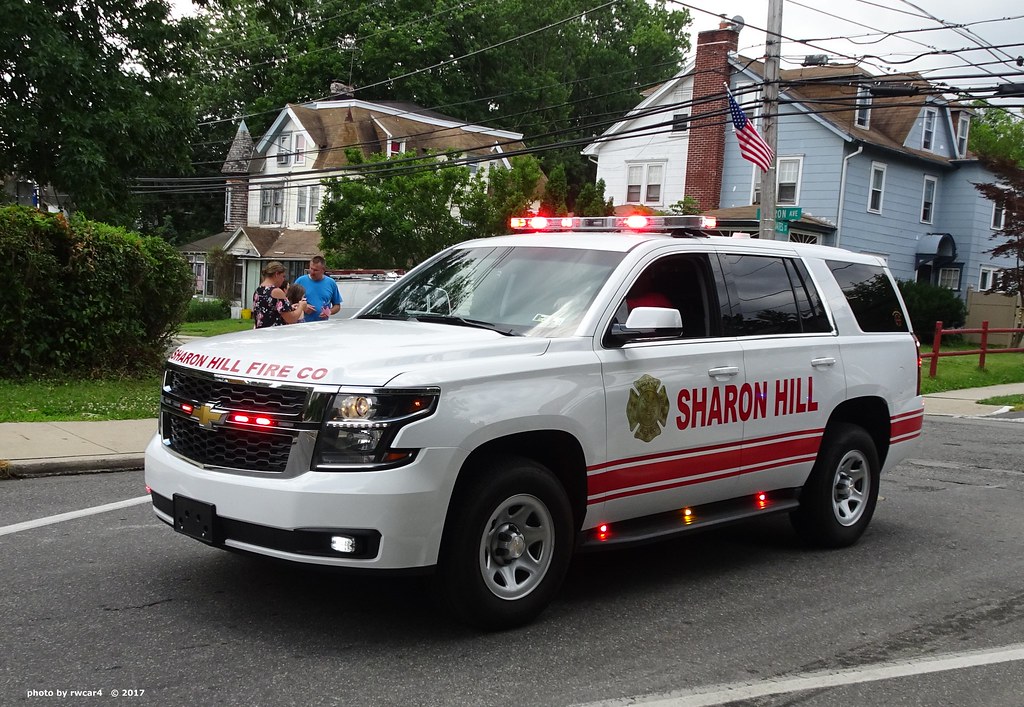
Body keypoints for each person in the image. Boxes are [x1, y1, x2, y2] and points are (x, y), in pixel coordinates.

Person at [252, 261, 306, 328]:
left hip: (261, 332)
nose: (283, 279)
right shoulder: (276, 292)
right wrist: (301, 306)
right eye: (283, 276)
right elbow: (291, 319)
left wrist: (290, 307)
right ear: (276, 274)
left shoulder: (258, 290)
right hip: (275, 334)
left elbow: (270, 310)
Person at [294, 255, 342, 323]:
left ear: (323, 270)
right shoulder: (300, 281)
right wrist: (302, 307)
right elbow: (290, 302)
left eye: (316, 270)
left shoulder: (331, 283)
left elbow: (337, 305)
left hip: (322, 325)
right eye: (311, 268)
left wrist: (329, 312)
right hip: (302, 325)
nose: (312, 272)